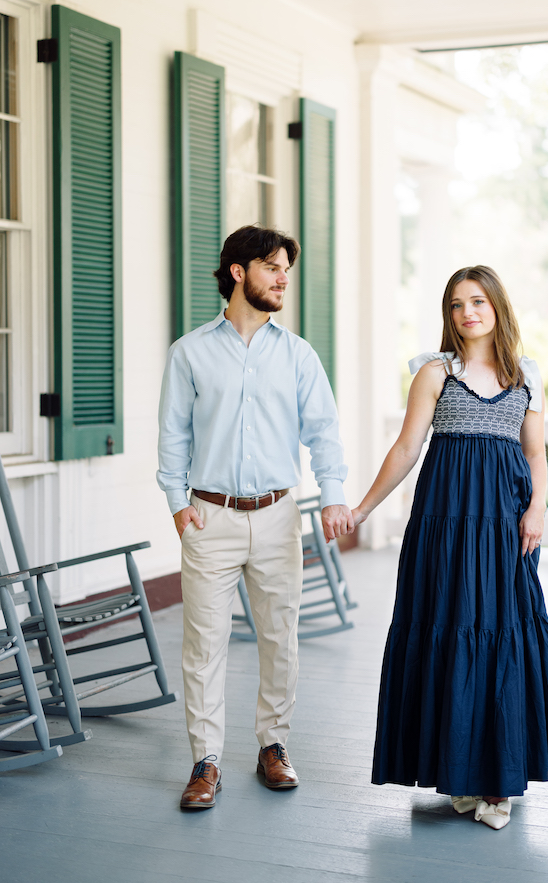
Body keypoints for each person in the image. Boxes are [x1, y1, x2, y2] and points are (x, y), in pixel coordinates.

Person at [352, 265, 548, 830]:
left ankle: (498, 784)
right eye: (455, 304)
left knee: (499, 637)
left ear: (497, 306)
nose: (466, 312)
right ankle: (460, 775)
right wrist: (363, 509)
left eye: (476, 301)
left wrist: (538, 507)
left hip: (504, 529)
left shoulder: (527, 375)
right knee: (447, 632)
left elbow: (537, 455)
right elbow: (405, 449)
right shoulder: (434, 373)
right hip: (444, 529)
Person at [157, 225, 353, 811]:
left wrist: (335, 494)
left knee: (279, 638)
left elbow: (324, 433)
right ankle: (205, 761)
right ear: (239, 272)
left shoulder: (298, 355)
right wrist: (176, 503)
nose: (283, 279)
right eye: (272, 267)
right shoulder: (189, 352)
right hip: (209, 517)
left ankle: (273, 746)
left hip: (276, 516)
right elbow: (173, 434)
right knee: (204, 645)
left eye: (286, 269)